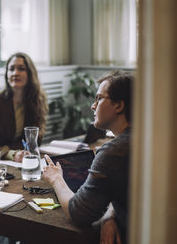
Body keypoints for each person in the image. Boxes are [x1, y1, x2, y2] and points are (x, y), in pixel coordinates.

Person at [43, 71, 133, 244]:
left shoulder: (113, 152)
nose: (93, 106)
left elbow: (79, 213)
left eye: (99, 98)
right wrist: (110, 215)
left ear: (119, 106)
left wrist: (56, 178)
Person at [0, 52, 48, 162]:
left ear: (30, 74)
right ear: (6, 74)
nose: (15, 73)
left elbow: (35, 140)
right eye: (11, 69)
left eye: (21, 69)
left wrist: (7, 147)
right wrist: (12, 153)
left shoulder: (37, 101)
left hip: (23, 159)